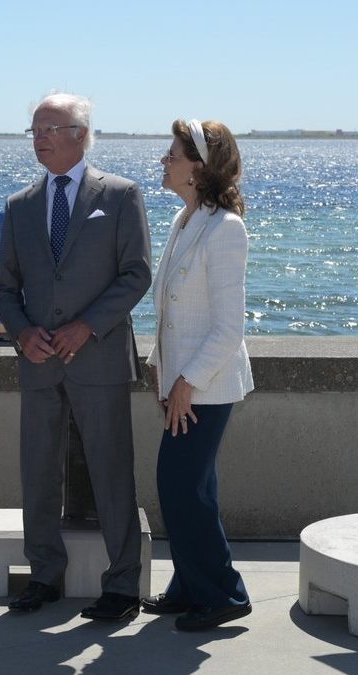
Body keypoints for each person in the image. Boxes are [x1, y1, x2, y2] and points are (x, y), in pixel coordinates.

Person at [0, 92, 151, 622]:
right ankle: (43, 576)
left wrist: (88, 326)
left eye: (48, 128)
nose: (37, 138)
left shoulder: (122, 195)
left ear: (79, 133)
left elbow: (136, 275)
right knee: (37, 473)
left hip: (99, 359)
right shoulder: (20, 206)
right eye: (33, 129)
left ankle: (123, 583)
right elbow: (3, 289)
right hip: (38, 362)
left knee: (111, 472)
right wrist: (21, 333)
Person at [141, 119, 254, 631]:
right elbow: (171, 309)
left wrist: (186, 382)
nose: (164, 162)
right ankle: (190, 586)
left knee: (182, 487)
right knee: (191, 487)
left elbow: (229, 327)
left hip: (206, 387)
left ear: (198, 168)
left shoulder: (226, 228)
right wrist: (161, 368)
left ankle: (223, 594)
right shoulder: (185, 220)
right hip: (181, 384)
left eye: (172, 156)